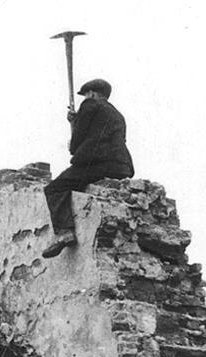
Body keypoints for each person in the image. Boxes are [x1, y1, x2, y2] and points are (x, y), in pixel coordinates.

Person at [42, 78, 134, 258]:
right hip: (121, 166)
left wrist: (75, 129)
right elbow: (98, 130)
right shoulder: (117, 114)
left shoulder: (90, 105)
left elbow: (77, 142)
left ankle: (64, 232)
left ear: (92, 93)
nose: (85, 97)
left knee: (55, 188)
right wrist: (76, 121)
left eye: (86, 94)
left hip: (96, 161)